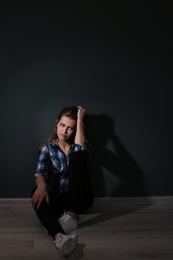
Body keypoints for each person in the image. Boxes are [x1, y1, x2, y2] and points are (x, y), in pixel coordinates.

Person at [31, 105, 94, 257]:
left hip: (80, 199)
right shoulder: (48, 149)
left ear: (76, 129)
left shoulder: (79, 144)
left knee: (76, 156)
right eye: (62, 125)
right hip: (59, 200)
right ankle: (60, 238)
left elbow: (79, 148)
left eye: (70, 128)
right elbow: (40, 172)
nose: (64, 131)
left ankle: (70, 215)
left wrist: (80, 119)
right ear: (57, 123)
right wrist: (41, 186)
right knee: (35, 192)